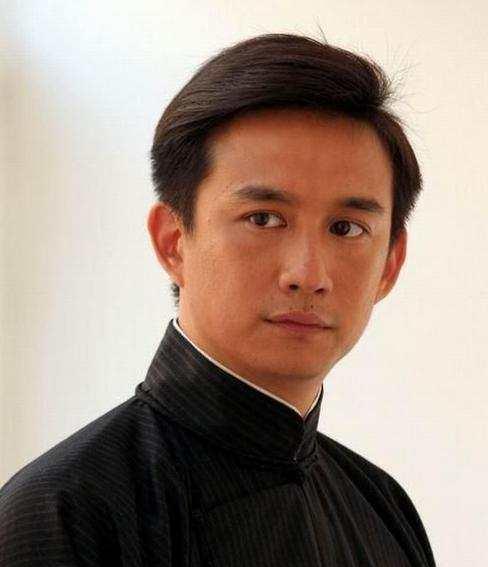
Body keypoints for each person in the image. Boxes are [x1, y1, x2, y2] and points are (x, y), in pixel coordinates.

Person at [0, 33, 436, 566]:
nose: (307, 275)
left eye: (346, 228)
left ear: (390, 264)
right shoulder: (64, 513)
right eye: (264, 219)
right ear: (173, 241)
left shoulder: (383, 507)